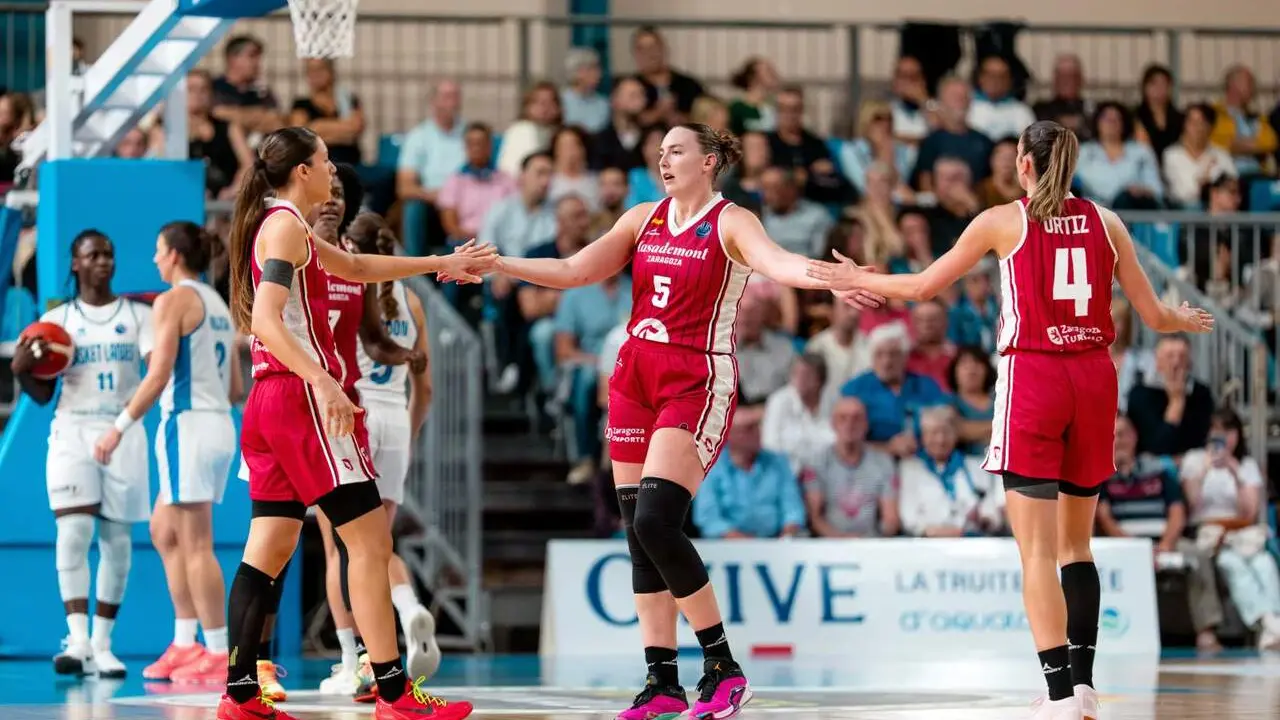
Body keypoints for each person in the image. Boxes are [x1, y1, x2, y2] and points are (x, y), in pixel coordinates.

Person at [448, 123, 879, 720]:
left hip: (694, 379)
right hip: (633, 375)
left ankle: (724, 667)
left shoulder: (732, 221)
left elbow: (778, 265)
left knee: (656, 519)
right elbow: (575, 270)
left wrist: (832, 277)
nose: (663, 157)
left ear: (708, 162)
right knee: (637, 533)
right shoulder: (642, 217)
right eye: (659, 151)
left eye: (675, 149)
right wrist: (497, 263)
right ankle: (662, 682)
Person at [814, 120, 1214, 720]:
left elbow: (925, 286)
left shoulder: (1005, 219)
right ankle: (1082, 686)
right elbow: (1153, 317)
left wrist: (857, 278)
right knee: (1078, 545)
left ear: (1024, 163)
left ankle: (1056, 695)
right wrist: (1182, 320)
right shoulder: (1108, 222)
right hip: (1094, 378)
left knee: (1036, 552)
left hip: (1036, 377)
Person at [217, 126, 492, 720]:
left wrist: (441, 262)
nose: (333, 172)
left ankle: (239, 694)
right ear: (302, 172)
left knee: (267, 547)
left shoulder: (282, 224)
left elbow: (359, 265)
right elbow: (265, 317)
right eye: (324, 162)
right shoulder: (286, 225)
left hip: (271, 403)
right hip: (301, 400)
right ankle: (394, 693)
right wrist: (323, 381)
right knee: (368, 543)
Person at [87, 223, 241, 684]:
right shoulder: (218, 304)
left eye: (158, 250)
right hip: (215, 425)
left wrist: (117, 428)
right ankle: (185, 640)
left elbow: (157, 376)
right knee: (164, 531)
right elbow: (235, 387)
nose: (154, 259)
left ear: (174, 254)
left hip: (188, 427)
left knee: (196, 544)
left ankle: (217, 651)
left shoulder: (173, 300)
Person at [10, 230, 154, 679]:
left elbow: (156, 371)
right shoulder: (59, 322)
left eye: (109, 254)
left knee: (118, 544)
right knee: (73, 534)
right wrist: (21, 368)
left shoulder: (137, 315)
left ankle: (104, 643)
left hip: (122, 429)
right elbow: (41, 393)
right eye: (93, 255)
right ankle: (77, 640)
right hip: (72, 431)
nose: (103, 261)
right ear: (75, 263)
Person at [318, 212, 439, 698]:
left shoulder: (349, 285)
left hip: (357, 413)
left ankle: (355, 659)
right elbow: (425, 389)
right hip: (397, 419)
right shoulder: (412, 301)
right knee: (377, 542)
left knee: (341, 548)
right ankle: (408, 606)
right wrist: (407, 437)